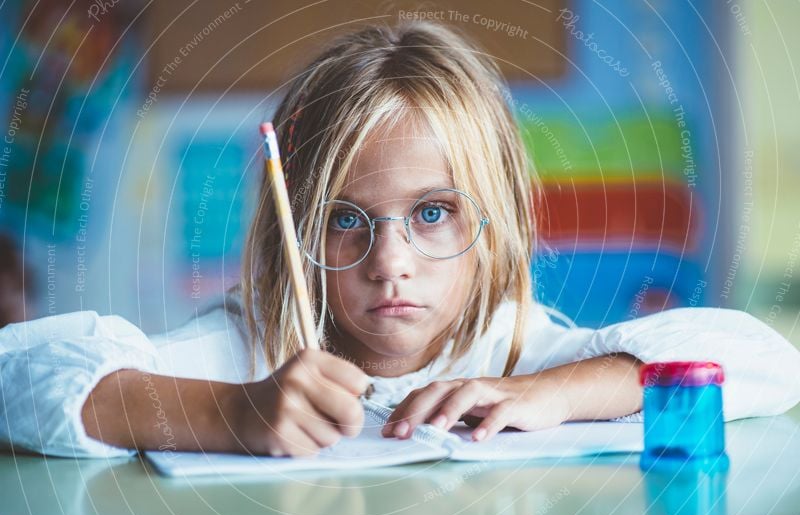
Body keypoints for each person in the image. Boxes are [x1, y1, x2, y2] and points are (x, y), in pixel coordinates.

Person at [1, 21, 798, 459]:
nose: (389, 263)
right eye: (346, 219)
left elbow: (768, 361)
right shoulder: (250, 352)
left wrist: (549, 394)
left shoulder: (517, 351)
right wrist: (231, 415)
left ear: (495, 223)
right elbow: (18, 377)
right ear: (296, 232)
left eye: (432, 212)